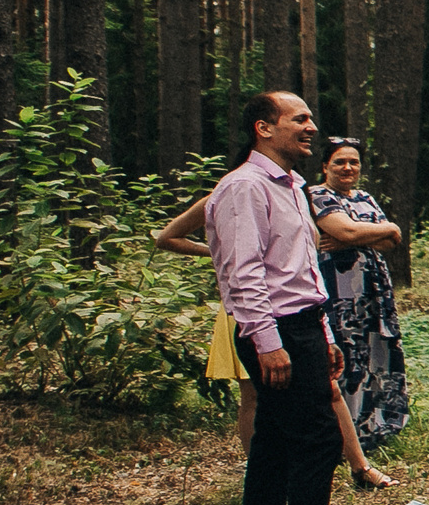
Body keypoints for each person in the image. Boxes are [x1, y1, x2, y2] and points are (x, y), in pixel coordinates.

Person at [201, 92, 363, 505]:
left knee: (272, 441)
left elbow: (302, 268)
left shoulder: (291, 185)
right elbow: (243, 273)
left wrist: (326, 335)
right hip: (276, 331)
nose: (312, 126)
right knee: (317, 441)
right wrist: (269, 343)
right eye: (300, 119)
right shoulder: (244, 188)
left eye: (312, 117)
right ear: (263, 128)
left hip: (304, 326)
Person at [157, 196, 395, 487]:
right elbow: (167, 237)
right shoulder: (225, 194)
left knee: (327, 387)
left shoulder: (286, 193)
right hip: (247, 308)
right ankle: (262, 477)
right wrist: (218, 253)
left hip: (291, 307)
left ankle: (360, 468)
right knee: (254, 395)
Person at [309, 137, 409, 447]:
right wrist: (370, 233)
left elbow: (392, 239)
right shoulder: (316, 196)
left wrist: (360, 237)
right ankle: (342, 435)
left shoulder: (365, 197)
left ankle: (375, 425)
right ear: (325, 166)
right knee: (345, 358)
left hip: (373, 296)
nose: (347, 167)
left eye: (354, 162)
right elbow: (348, 230)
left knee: (375, 354)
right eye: (339, 162)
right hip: (338, 297)